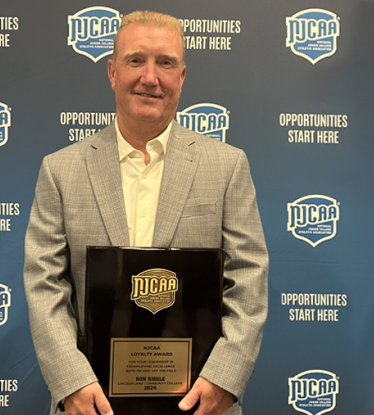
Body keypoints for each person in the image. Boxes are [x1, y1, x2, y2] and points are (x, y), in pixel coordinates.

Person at [24, 10, 268, 415]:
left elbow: (248, 276)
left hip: (198, 405)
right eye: (136, 60)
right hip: (93, 405)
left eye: (165, 62)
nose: (150, 77)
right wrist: (71, 382)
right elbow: (44, 285)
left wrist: (225, 379)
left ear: (182, 76)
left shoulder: (227, 166)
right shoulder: (61, 170)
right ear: (112, 72)